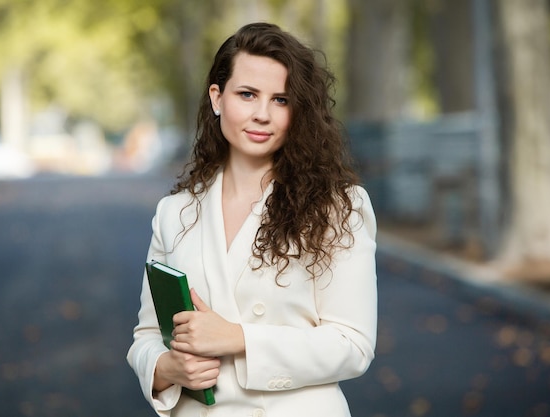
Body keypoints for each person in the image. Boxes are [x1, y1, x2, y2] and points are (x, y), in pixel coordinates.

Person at [127, 22, 377, 417]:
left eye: (281, 100)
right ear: (217, 98)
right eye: (247, 94)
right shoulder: (174, 214)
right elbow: (146, 336)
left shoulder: (336, 207)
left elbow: (353, 344)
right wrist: (167, 368)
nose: (263, 114)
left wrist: (238, 338)